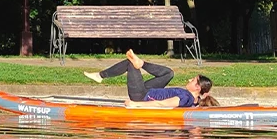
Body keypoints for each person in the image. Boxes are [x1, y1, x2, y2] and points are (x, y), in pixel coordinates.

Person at [84, 49, 217, 108]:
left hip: (141, 95)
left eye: (192, 80)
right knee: (169, 73)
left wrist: (135, 104)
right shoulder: (193, 99)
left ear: (197, 87)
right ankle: (141, 63)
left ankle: (100, 76)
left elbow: (162, 104)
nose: (189, 80)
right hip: (149, 90)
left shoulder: (186, 97)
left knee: (130, 63)